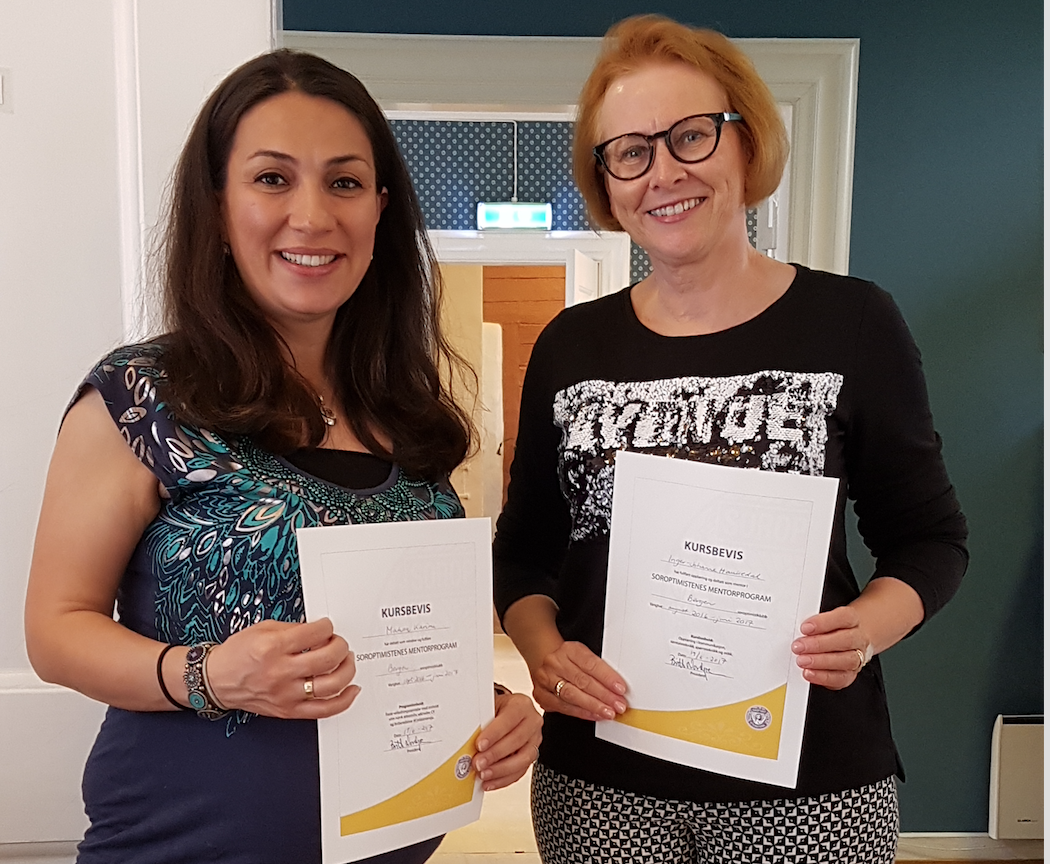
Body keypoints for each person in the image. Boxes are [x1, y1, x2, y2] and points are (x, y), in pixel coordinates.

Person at [24, 49, 541, 864]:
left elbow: (396, 637)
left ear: (379, 210)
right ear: (217, 206)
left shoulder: (406, 412)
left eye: (344, 182)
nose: (312, 216)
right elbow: (55, 630)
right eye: (272, 179)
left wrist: (491, 704)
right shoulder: (142, 397)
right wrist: (208, 675)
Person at [493, 15, 967, 864]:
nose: (662, 172)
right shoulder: (570, 346)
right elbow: (523, 553)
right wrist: (545, 653)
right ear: (606, 181)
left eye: (691, 135)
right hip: (603, 778)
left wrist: (866, 628)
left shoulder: (853, 321)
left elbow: (931, 540)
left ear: (746, 143)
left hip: (808, 778)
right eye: (629, 151)